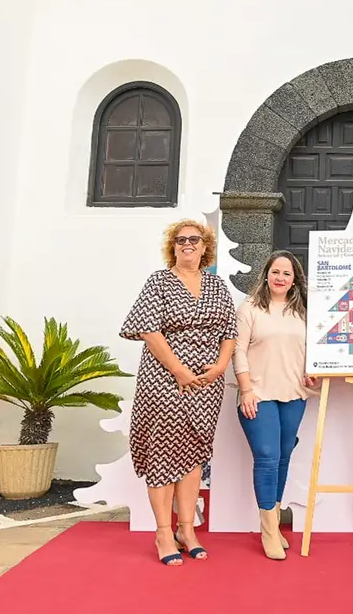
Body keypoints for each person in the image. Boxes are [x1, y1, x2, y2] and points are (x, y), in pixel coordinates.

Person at [120, 219, 238, 566]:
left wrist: (219, 367)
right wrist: (179, 370)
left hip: (207, 384)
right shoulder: (159, 282)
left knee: (193, 452)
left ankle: (187, 529)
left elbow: (230, 331)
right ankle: (162, 532)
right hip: (164, 380)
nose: (188, 244)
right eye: (181, 240)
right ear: (173, 246)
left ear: (205, 248)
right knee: (162, 451)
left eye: (195, 240)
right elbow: (148, 329)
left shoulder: (217, 286)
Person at [233, 250, 317, 560]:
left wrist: (312, 374)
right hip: (258, 394)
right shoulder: (250, 309)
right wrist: (245, 390)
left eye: (287, 273)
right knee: (267, 458)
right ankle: (268, 531)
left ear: (295, 280)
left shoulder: (302, 312)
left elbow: (307, 352)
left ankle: (275, 524)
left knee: (282, 458)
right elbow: (237, 351)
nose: (280, 278)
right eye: (275, 271)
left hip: (294, 394)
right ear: (266, 274)